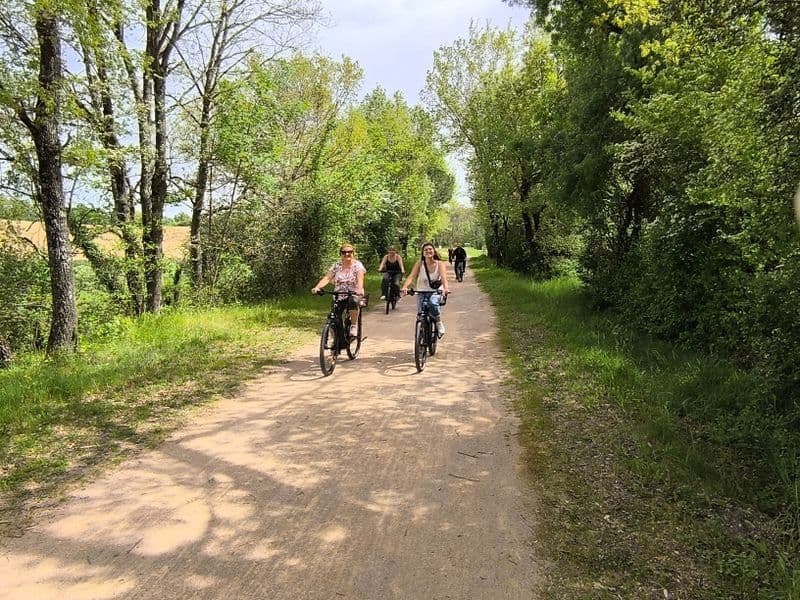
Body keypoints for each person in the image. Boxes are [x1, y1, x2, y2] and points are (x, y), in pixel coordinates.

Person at [311, 243, 365, 337]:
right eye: (344, 252)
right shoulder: (337, 265)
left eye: (349, 252)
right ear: (340, 254)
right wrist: (317, 287)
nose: (347, 254)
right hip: (339, 294)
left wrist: (359, 289)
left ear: (353, 253)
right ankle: (335, 339)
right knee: (334, 317)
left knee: (353, 301)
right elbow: (327, 278)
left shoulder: (357, 265)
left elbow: (360, 278)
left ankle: (353, 325)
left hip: (353, 292)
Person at [401, 242, 450, 336]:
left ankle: (438, 322)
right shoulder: (419, 264)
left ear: (434, 251)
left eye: (430, 249)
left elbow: (444, 278)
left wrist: (446, 288)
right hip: (421, 291)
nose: (428, 251)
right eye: (425, 250)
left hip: (435, 291)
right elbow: (412, 276)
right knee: (420, 314)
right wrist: (405, 287)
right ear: (423, 253)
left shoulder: (440, 264)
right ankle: (421, 334)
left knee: (433, 304)